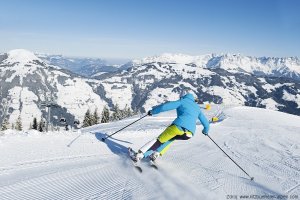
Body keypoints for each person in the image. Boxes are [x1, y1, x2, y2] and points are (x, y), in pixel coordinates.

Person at [130, 93, 210, 163]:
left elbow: (165, 106)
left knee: (159, 140)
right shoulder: (197, 108)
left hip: (178, 127)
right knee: (170, 139)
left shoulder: (183, 101)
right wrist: (205, 131)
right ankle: (156, 154)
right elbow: (206, 123)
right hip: (189, 134)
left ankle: (140, 155)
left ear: (184, 97)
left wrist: (153, 111)